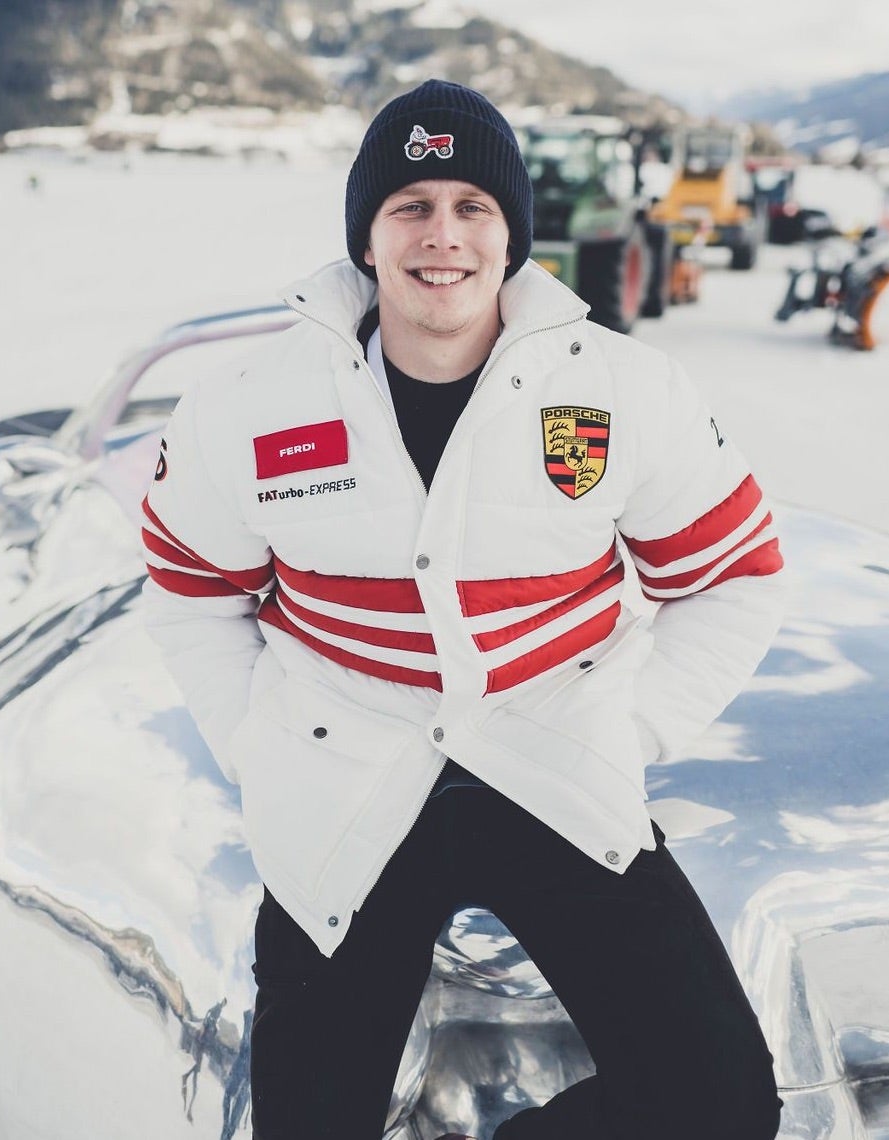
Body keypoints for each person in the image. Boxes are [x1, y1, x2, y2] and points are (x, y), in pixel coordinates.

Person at [141, 79, 785, 1140]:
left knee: (716, 1107)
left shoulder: (624, 390)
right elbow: (189, 597)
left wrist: (629, 730)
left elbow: (732, 575)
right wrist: (257, 748)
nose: (441, 236)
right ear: (365, 235)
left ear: (511, 235)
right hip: (341, 779)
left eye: (471, 206)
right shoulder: (248, 406)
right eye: (410, 206)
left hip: (553, 768)